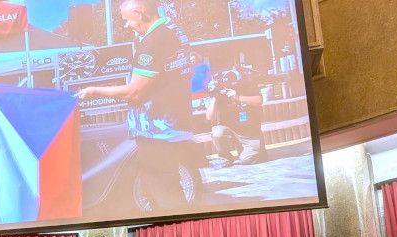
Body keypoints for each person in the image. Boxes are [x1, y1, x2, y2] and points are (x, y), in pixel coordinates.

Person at [77, 0, 195, 208]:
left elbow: (135, 92)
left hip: (157, 133)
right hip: (176, 124)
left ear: (140, 13)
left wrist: (94, 91)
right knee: (163, 189)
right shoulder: (175, 31)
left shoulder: (151, 43)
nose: (126, 25)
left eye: (126, 19)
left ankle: (179, 228)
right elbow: (189, 62)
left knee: (165, 195)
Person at [205, 66, 265, 165]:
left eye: (233, 81)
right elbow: (209, 117)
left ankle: (255, 150)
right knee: (217, 132)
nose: (229, 84)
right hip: (231, 129)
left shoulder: (247, 85)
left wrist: (238, 97)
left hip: (250, 132)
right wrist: (215, 97)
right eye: (226, 81)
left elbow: (259, 101)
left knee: (246, 160)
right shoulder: (220, 92)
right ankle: (225, 156)